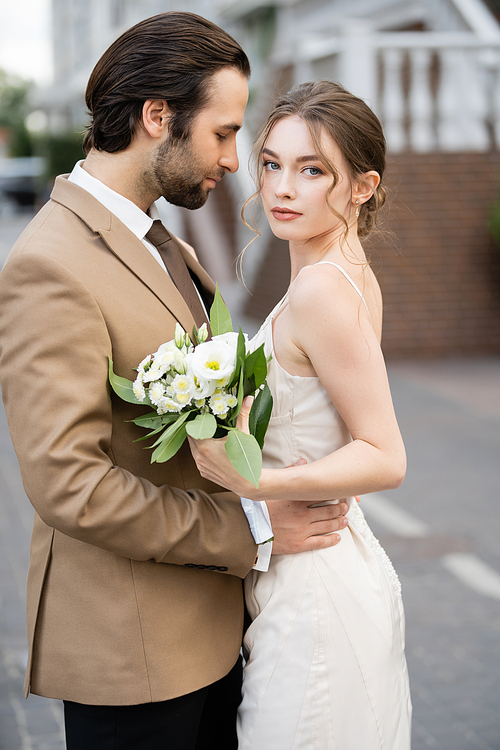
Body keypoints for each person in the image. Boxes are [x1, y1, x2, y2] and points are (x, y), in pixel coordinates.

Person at [0, 17, 349, 750]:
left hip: (215, 632)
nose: (234, 159)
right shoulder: (48, 265)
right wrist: (254, 530)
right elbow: (69, 483)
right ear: (158, 116)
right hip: (135, 658)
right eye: (223, 133)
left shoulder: (160, 240)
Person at [189, 80, 412, 748]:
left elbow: (385, 453)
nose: (283, 188)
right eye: (272, 164)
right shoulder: (343, 269)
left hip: (316, 592)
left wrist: (254, 483)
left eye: (312, 170)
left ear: (362, 186)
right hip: (317, 571)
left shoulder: (319, 289)